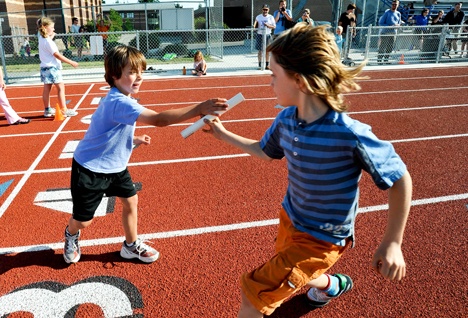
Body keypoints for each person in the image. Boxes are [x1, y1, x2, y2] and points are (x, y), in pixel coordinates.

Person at [203, 24, 412, 318]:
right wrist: (223, 134)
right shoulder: (286, 119)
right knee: (292, 271)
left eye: (274, 76)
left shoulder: (348, 134)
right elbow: (265, 151)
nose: (270, 84)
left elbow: (400, 179)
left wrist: (393, 241)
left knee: (253, 294)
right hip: (291, 218)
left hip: (322, 238)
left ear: (299, 81)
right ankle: (331, 285)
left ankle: (324, 281)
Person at [63, 45, 228, 264]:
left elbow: (106, 133)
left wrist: (132, 141)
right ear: (114, 75)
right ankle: (71, 233)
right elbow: (160, 120)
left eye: (141, 71)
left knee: (131, 202)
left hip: (115, 166)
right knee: (84, 221)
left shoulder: (124, 98)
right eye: (131, 72)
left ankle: (130, 246)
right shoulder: (118, 101)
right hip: (91, 168)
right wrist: (199, 108)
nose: (139, 76)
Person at [38, 17, 78, 118]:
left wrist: (51, 36)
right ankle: (64, 109)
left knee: (47, 88)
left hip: (44, 68)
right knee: (60, 88)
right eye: (52, 27)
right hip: (52, 68)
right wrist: (71, 62)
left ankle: (47, 110)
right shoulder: (48, 42)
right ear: (45, 27)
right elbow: (57, 55)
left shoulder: (41, 38)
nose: (54, 29)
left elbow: (46, 43)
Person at [253, 4, 275, 70]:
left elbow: (274, 26)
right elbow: (255, 24)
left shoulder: (270, 17)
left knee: (267, 50)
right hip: (260, 35)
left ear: (268, 10)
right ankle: (260, 65)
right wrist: (254, 27)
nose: (265, 11)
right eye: (264, 9)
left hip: (268, 35)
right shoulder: (258, 17)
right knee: (260, 51)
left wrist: (268, 25)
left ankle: (267, 64)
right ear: (262, 9)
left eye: (266, 9)